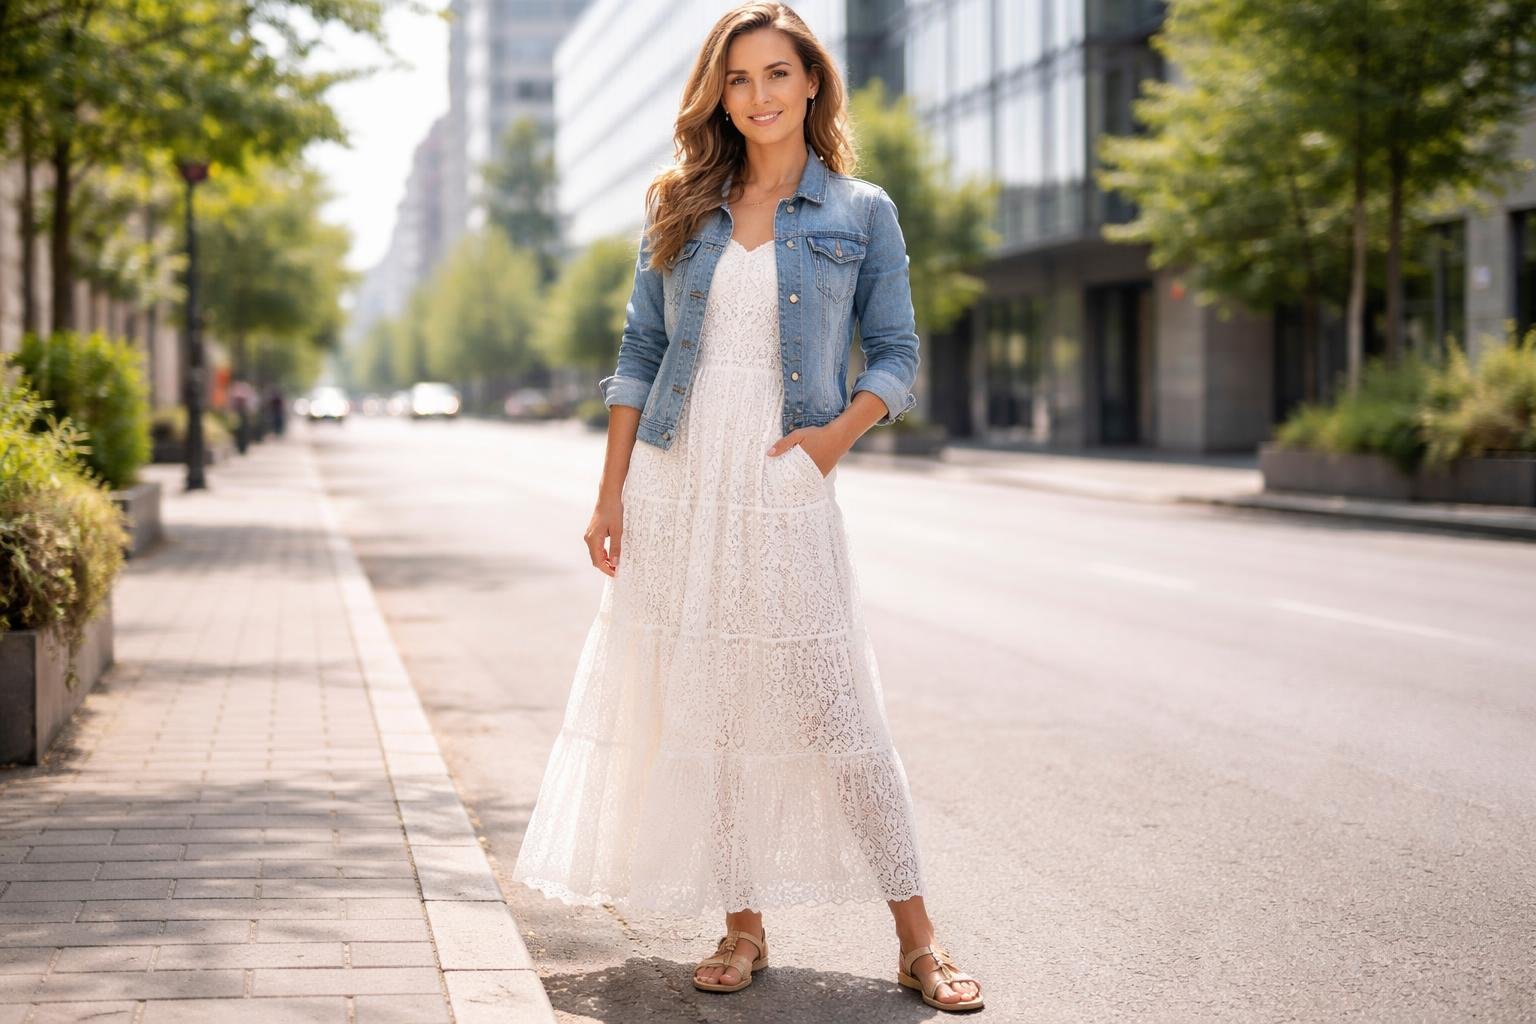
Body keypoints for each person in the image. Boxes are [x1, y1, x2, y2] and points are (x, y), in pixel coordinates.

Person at [509, 2, 983, 1013]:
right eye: (739, 78)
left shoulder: (862, 212)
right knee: (710, 705)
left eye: (778, 74)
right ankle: (742, 922)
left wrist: (828, 441)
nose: (759, 96)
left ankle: (919, 938)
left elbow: (898, 356)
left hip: (781, 477)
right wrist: (610, 497)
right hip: (678, 480)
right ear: (717, 95)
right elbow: (639, 353)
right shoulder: (680, 204)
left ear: (813, 82)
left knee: (836, 705)